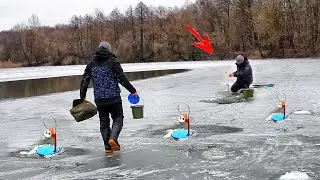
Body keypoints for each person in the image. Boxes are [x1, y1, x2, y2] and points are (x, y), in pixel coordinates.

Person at [80, 41, 138, 153]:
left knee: (104, 122)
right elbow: (122, 78)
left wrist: (82, 97)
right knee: (118, 118)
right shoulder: (113, 61)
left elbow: (84, 81)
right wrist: (132, 90)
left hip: (99, 99)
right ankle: (113, 139)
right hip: (114, 97)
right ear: (109, 50)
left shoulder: (91, 64)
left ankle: (107, 147)